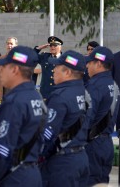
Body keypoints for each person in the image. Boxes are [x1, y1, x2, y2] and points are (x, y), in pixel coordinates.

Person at [0, 46, 45, 186]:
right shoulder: (35, 97)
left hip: (14, 176)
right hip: (32, 172)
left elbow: (1, 152)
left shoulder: (14, 103)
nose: (0, 71)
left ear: (15, 70)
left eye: (4, 66)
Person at [40, 50, 89, 186]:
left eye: (57, 67)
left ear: (67, 72)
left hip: (62, 163)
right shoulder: (84, 93)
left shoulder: (59, 96)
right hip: (81, 157)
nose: (53, 70)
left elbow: (48, 134)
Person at [84, 46, 120, 185]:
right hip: (106, 143)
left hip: (92, 145)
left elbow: (87, 118)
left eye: (90, 62)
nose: (87, 65)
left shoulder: (95, 85)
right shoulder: (114, 85)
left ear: (98, 63)